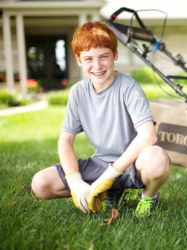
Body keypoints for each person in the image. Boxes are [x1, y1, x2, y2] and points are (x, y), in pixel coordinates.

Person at [31, 21, 170, 218]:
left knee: (157, 159)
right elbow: (65, 140)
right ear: (79, 59)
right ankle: (111, 192)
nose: (97, 66)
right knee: (40, 184)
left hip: (133, 164)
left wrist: (108, 176)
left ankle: (149, 196)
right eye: (88, 59)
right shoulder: (78, 92)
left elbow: (148, 137)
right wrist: (75, 181)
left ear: (115, 55)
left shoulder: (129, 88)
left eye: (104, 56)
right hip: (100, 163)